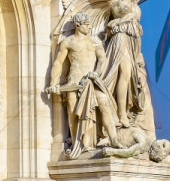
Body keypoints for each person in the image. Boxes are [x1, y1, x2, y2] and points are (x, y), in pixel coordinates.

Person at [44, 12, 119, 155]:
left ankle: (113, 138)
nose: (89, 27)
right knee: (73, 112)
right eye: (86, 24)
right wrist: (54, 82)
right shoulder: (68, 42)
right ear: (78, 25)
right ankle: (77, 143)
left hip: (91, 81)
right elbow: (58, 63)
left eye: (90, 24)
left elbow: (102, 59)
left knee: (104, 103)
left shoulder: (95, 41)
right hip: (73, 82)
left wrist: (96, 73)